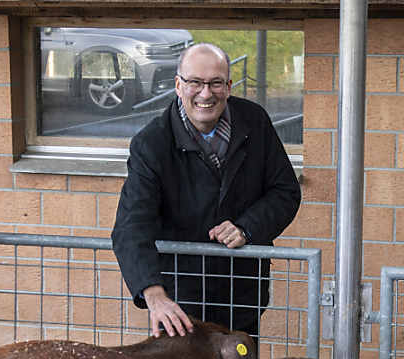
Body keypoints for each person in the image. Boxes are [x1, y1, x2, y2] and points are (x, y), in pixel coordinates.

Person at [111, 42, 302, 339]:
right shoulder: (152, 144)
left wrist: (246, 228)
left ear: (228, 85)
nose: (205, 93)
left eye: (215, 83)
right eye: (195, 83)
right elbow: (131, 226)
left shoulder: (255, 122)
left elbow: (285, 191)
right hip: (181, 305)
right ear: (177, 85)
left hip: (242, 296)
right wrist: (155, 295)